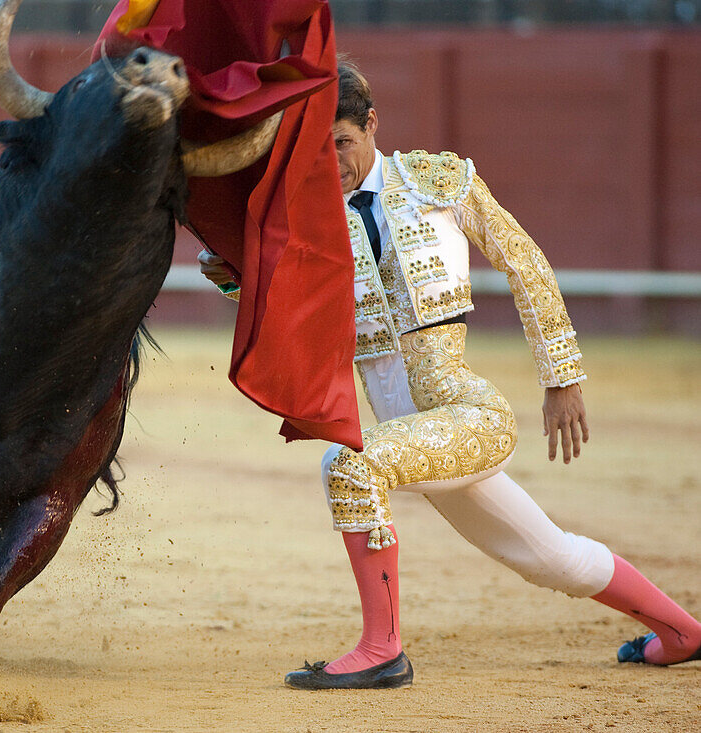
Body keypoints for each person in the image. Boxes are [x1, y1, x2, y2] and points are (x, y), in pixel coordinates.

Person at [198, 58, 701, 690]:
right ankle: (684, 634)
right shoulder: (311, 218)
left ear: (372, 125)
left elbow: (524, 261)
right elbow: (288, 305)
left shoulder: (439, 181)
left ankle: (383, 650)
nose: (335, 162)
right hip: (409, 435)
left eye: (344, 144)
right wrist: (236, 279)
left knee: (350, 466)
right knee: (549, 558)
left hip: (465, 416)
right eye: (320, 151)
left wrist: (561, 375)